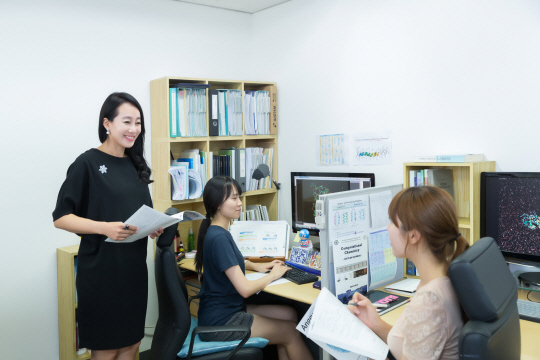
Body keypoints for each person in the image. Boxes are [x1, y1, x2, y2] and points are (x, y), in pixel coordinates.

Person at [53, 92, 163, 360]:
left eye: (138, 123)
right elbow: (61, 217)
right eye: (127, 121)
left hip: (133, 273)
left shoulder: (136, 165)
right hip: (101, 275)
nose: (134, 129)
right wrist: (104, 228)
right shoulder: (87, 163)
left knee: (131, 346)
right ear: (107, 123)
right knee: (105, 350)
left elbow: (140, 214)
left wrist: (153, 227)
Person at [195, 176, 314, 360]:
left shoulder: (216, 230)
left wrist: (256, 266)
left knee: (289, 314)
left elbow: (229, 262)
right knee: (291, 332)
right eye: (233, 198)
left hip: (224, 310)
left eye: (239, 197)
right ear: (218, 204)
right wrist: (273, 275)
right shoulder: (219, 238)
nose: (239, 203)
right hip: (222, 322)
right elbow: (245, 289)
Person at [348, 186, 469, 360]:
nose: (388, 228)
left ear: (413, 236)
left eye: (392, 222)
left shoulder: (429, 301)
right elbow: (416, 344)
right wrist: (375, 324)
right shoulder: (441, 279)